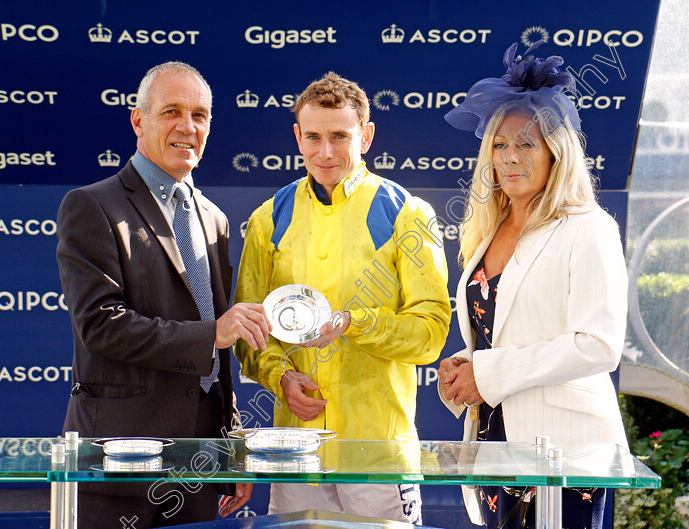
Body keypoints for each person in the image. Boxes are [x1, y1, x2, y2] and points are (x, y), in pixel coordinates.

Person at [56, 61, 270, 528]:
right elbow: (100, 325)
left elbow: (216, 358)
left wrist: (231, 446)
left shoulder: (213, 218)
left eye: (200, 115)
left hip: (199, 466)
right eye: (171, 111)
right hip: (119, 463)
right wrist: (213, 333)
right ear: (138, 120)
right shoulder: (92, 206)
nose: (187, 127)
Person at [234, 71, 451, 524]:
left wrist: (356, 322)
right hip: (295, 452)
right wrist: (279, 379)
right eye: (313, 137)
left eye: (340, 136)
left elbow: (430, 332)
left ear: (366, 136)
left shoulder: (408, 213)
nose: (325, 152)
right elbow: (248, 330)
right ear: (297, 137)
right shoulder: (267, 219)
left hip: (379, 453)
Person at [437, 42, 629, 529]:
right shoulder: (488, 229)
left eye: (526, 144)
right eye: (500, 145)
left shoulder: (589, 227)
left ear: (556, 152)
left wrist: (490, 371)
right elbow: (499, 333)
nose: (510, 158)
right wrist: (467, 365)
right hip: (493, 442)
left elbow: (599, 346)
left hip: (565, 452)